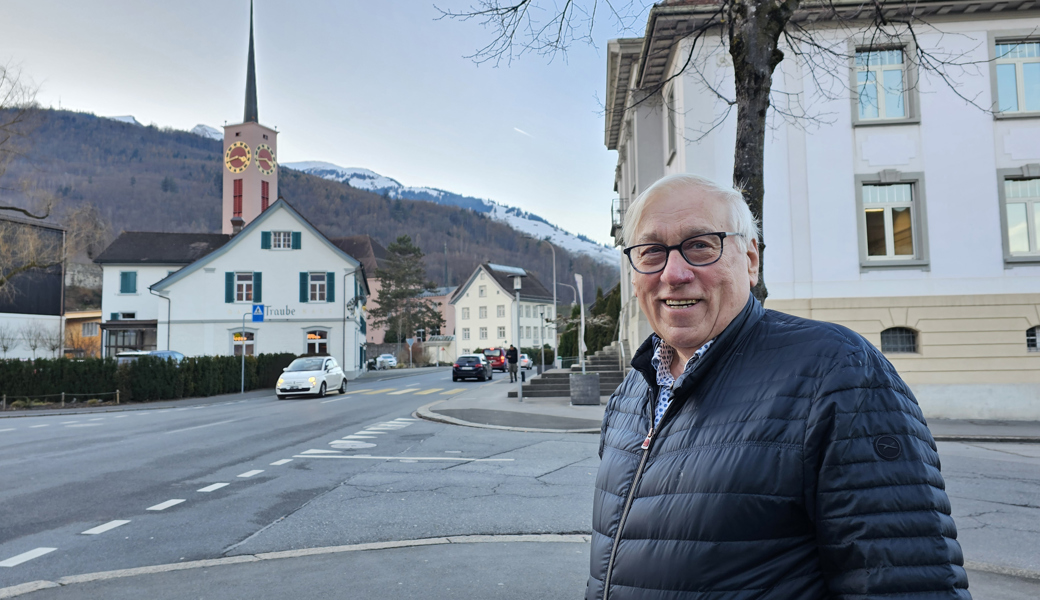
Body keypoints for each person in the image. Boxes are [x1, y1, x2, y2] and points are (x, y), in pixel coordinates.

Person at [588, 174, 969, 600]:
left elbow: (906, 583)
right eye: (651, 251)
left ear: (751, 260)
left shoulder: (837, 372)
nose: (673, 273)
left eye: (700, 245)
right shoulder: (631, 393)